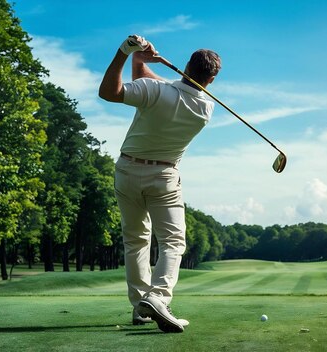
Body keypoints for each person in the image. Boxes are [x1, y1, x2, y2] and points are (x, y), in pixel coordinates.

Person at [98, 35, 221, 333]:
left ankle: (142, 305)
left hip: (127, 170)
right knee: (173, 242)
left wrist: (126, 53)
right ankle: (157, 298)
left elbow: (109, 92)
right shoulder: (206, 109)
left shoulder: (154, 90)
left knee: (136, 241)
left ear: (187, 66)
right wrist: (141, 61)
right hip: (164, 177)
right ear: (212, 79)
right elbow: (157, 87)